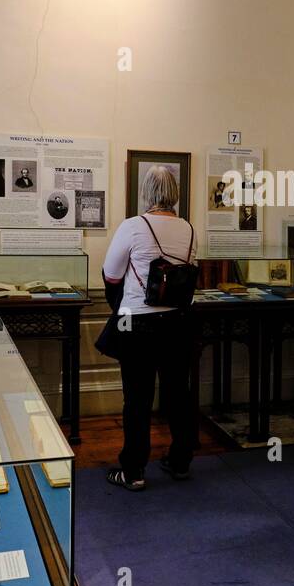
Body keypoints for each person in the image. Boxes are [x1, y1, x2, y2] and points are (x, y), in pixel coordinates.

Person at [100, 165, 198, 491]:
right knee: (178, 396)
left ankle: (134, 470)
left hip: (137, 322)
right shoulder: (188, 229)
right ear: (175, 193)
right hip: (178, 322)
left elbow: (112, 274)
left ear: (145, 192)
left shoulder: (133, 226)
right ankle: (181, 460)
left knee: (138, 399)